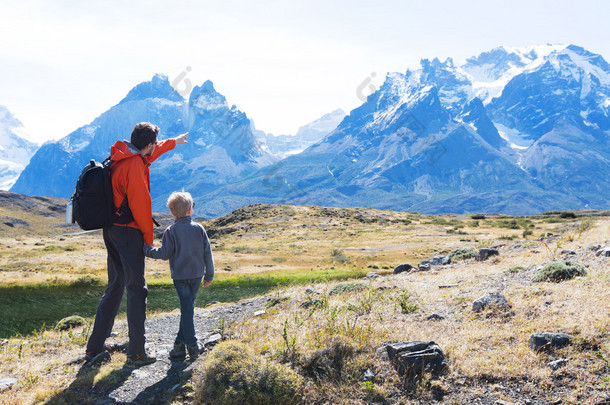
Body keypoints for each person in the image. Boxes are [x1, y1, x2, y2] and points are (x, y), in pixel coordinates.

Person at [85, 122, 188, 367]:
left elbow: (153, 152)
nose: (155, 149)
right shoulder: (133, 165)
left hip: (111, 229)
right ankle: (136, 353)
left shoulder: (121, 156)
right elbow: (142, 206)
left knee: (116, 286)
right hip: (128, 232)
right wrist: (148, 240)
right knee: (136, 289)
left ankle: (94, 349)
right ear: (148, 145)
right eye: (154, 145)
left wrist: (173, 142)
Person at [143, 191, 214, 360]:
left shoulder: (171, 231)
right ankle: (181, 347)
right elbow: (207, 253)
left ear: (172, 212)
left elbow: (165, 253)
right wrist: (209, 275)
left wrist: (146, 249)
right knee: (188, 309)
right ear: (190, 210)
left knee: (187, 308)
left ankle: (190, 346)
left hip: (180, 277)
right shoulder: (199, 228)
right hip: (197, 275)